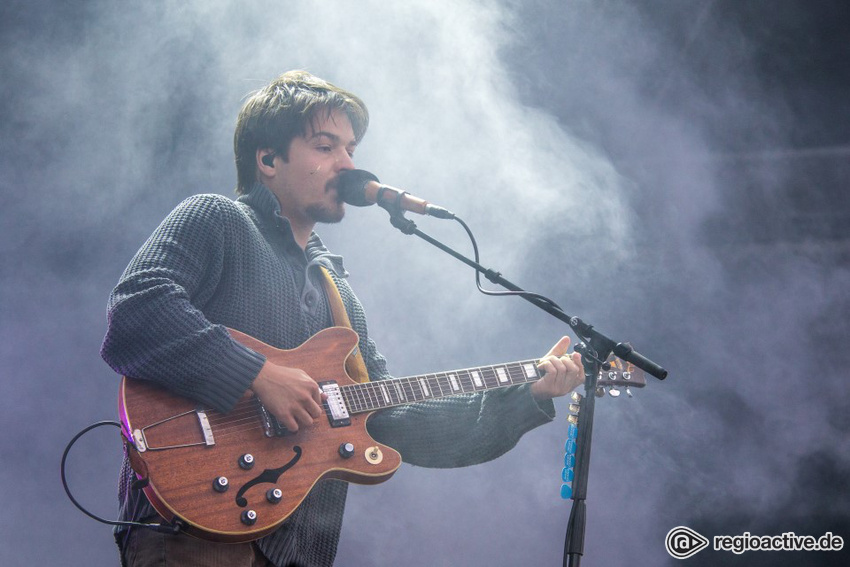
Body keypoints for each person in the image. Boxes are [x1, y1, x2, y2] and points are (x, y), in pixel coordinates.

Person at [101, 70, 583, 567]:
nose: (349, 165)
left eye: (350, 148)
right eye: (325, 146)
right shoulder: (217, 219)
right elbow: (137, 308)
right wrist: (258, 375)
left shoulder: (339, 294)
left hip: (297, 549)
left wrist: (524, 397)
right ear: (267, 158)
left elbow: (391, 420)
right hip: (197, 530)